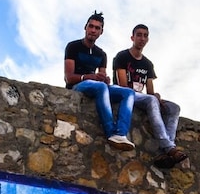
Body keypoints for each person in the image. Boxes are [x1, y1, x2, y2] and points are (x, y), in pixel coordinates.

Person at [113, 24, 187, 168]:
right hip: (125, 95)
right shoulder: (122, 56)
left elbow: (150, 91)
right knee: (150, 99)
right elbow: (122, 85)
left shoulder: (147, 64)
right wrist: (151, 97)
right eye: (139, 35)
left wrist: (157, 96)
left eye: (145, 35)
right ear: (132, 37)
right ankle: (169, 146)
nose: (142, 38)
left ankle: (164, 151)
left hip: (143, 98)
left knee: (174, 108)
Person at [64, 11, 136, 151]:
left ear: (101, 32)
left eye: (97, 28)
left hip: (96, 85)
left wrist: (105, 78)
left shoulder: (101, 54)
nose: (93, 30)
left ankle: (121, 133)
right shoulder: (73, 46)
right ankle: (111, 133)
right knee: (101, 88)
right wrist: (87, 77)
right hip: (78, 85)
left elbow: (102, 76)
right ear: (85, 27)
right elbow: (69, 77)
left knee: (128, 92)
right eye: (91, 26)